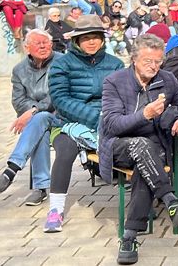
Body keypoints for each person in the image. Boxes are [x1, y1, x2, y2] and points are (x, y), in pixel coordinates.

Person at [99, 34, 178, 265]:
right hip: (119, 145)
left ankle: (129, 238)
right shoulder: (114, 82)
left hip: (153, 151)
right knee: (141, 146)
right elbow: (112, 125)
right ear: (134, 58)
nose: (154, 67)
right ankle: (169, 199)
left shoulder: (166, 79)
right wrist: (144, 114)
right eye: (148, 61)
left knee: (144, 168)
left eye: (158, 61)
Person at [44, 15, 124, 232]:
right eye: (85, 37)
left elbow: (122, 95)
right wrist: (94, 117)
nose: (91, 42)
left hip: (107, 120)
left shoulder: (115, 63)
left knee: (136, 143)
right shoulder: (62, 64)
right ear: (76, 40)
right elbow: (60, 99)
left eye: (95, 37)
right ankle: (56, 210)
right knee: (65, 152)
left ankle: (140, 202)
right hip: (67, 122)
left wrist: (109, 117)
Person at [0, 30, 60, 205]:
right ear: (27, 48)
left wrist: (34, 110)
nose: (42, 46)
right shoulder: (19, 70)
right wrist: (33, 113)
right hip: (38, 121)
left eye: (46, 42)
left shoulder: (62, 62)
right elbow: (18, 101)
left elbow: (58, 95)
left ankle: (12, 171)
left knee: (39, 118)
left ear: (51, 45)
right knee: (39, 126)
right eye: (37, 43)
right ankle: (40, 188)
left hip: (61, 117)